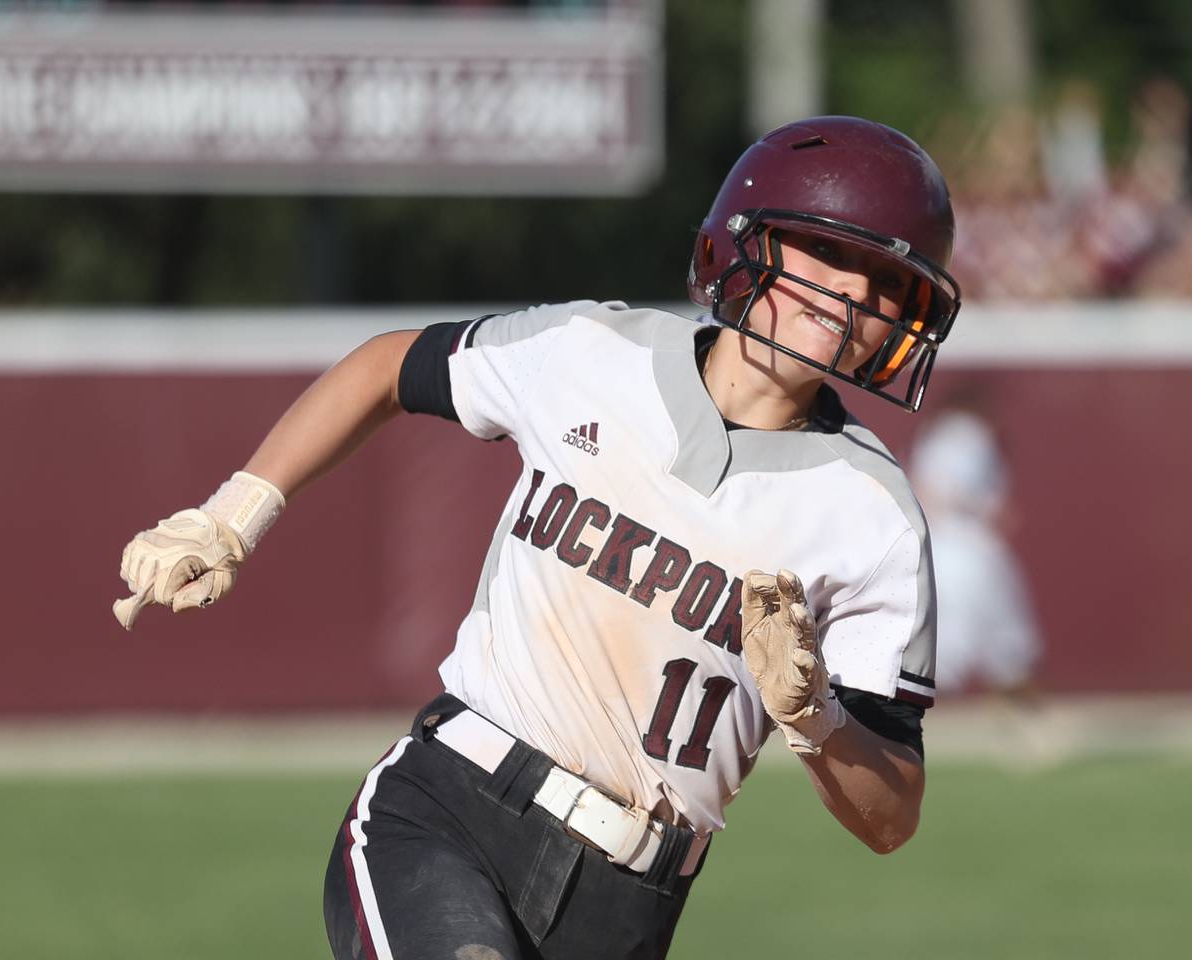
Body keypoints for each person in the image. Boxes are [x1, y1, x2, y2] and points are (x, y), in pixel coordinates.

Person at [112, 115, 961, 960]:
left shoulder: (872, 513)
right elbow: (386, 368)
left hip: (632, 903)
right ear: (749, 240)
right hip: (451, 812)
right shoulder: (594, 352)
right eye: (832, 254)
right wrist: (232, 515)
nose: (855, 296)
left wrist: (815, 719)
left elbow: (892, 816)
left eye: (890, 282)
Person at [909, 389, 1042, 700]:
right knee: (1002, 637)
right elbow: (943, 489)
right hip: (967, 548)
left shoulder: (935, 436)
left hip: (939, 550)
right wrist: (988, 510)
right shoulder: (964, 434)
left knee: (953, 644)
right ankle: (1024, 712)